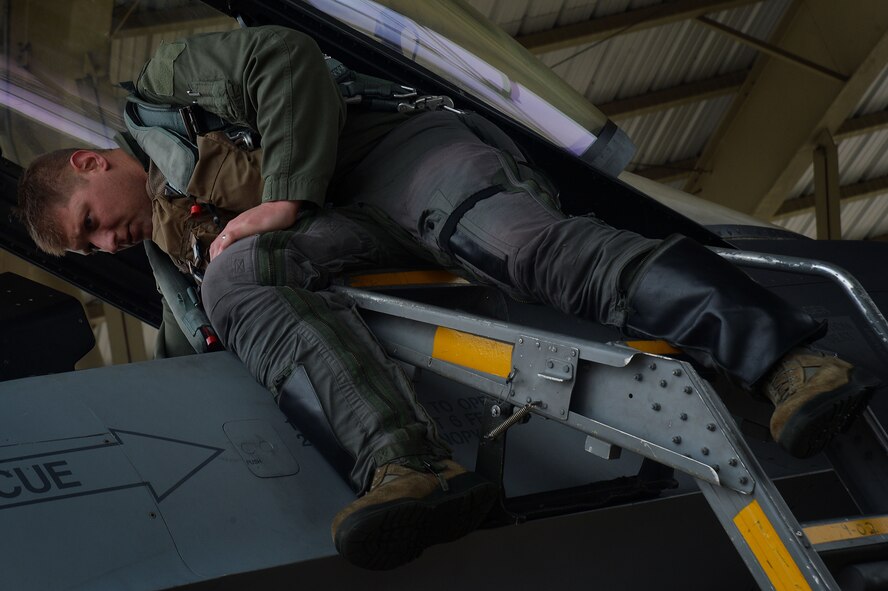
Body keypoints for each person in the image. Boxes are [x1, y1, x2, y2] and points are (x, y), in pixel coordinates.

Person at [15, 25, 877, 570]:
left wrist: (284, 195)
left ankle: (786, 356)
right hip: (340, 232)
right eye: (89, 246)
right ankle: (405, 466)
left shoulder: (168, 85)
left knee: (515, 245)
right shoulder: (175, 257)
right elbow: (186, 345)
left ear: (92, 165)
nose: (104, 244)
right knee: (239, 279)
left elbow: (283, 60)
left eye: (92, 222)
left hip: (394, 152)